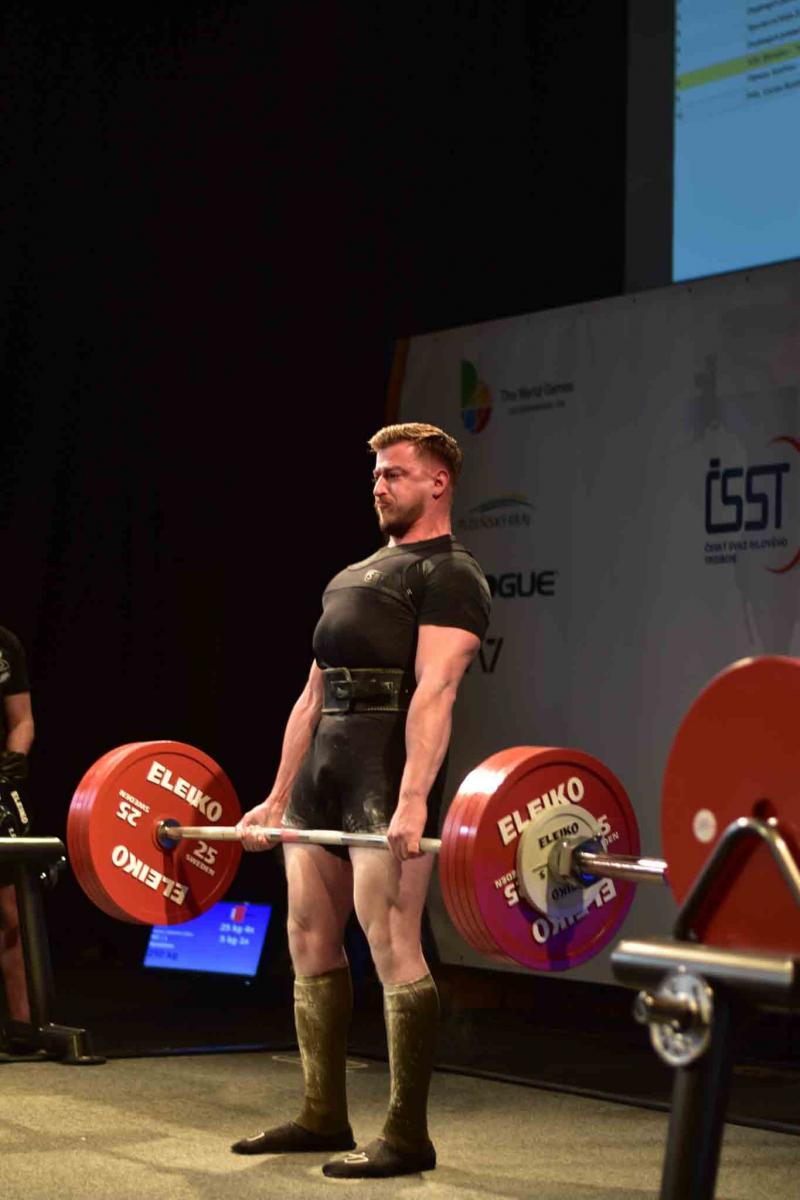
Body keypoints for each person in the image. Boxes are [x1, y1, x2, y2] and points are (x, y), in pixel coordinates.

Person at [232, 421, 490, 1178]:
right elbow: (309, 699)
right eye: (376, 474)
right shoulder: (350, 575)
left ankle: (407, 1136)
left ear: (438, 482)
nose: (379, 485)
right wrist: (276, 798)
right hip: (324, 771)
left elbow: (436, 691)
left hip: (385, 768)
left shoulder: (451, 574)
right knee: (308, 936)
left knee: (391, 942)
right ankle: (321, 1114)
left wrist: (412, 802)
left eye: (395, 473)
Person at [0, 625, 35, 1029]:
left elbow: (22, 719)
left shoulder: (5, 644)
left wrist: (15, 760)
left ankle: (25, 1024)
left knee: (12, 911)